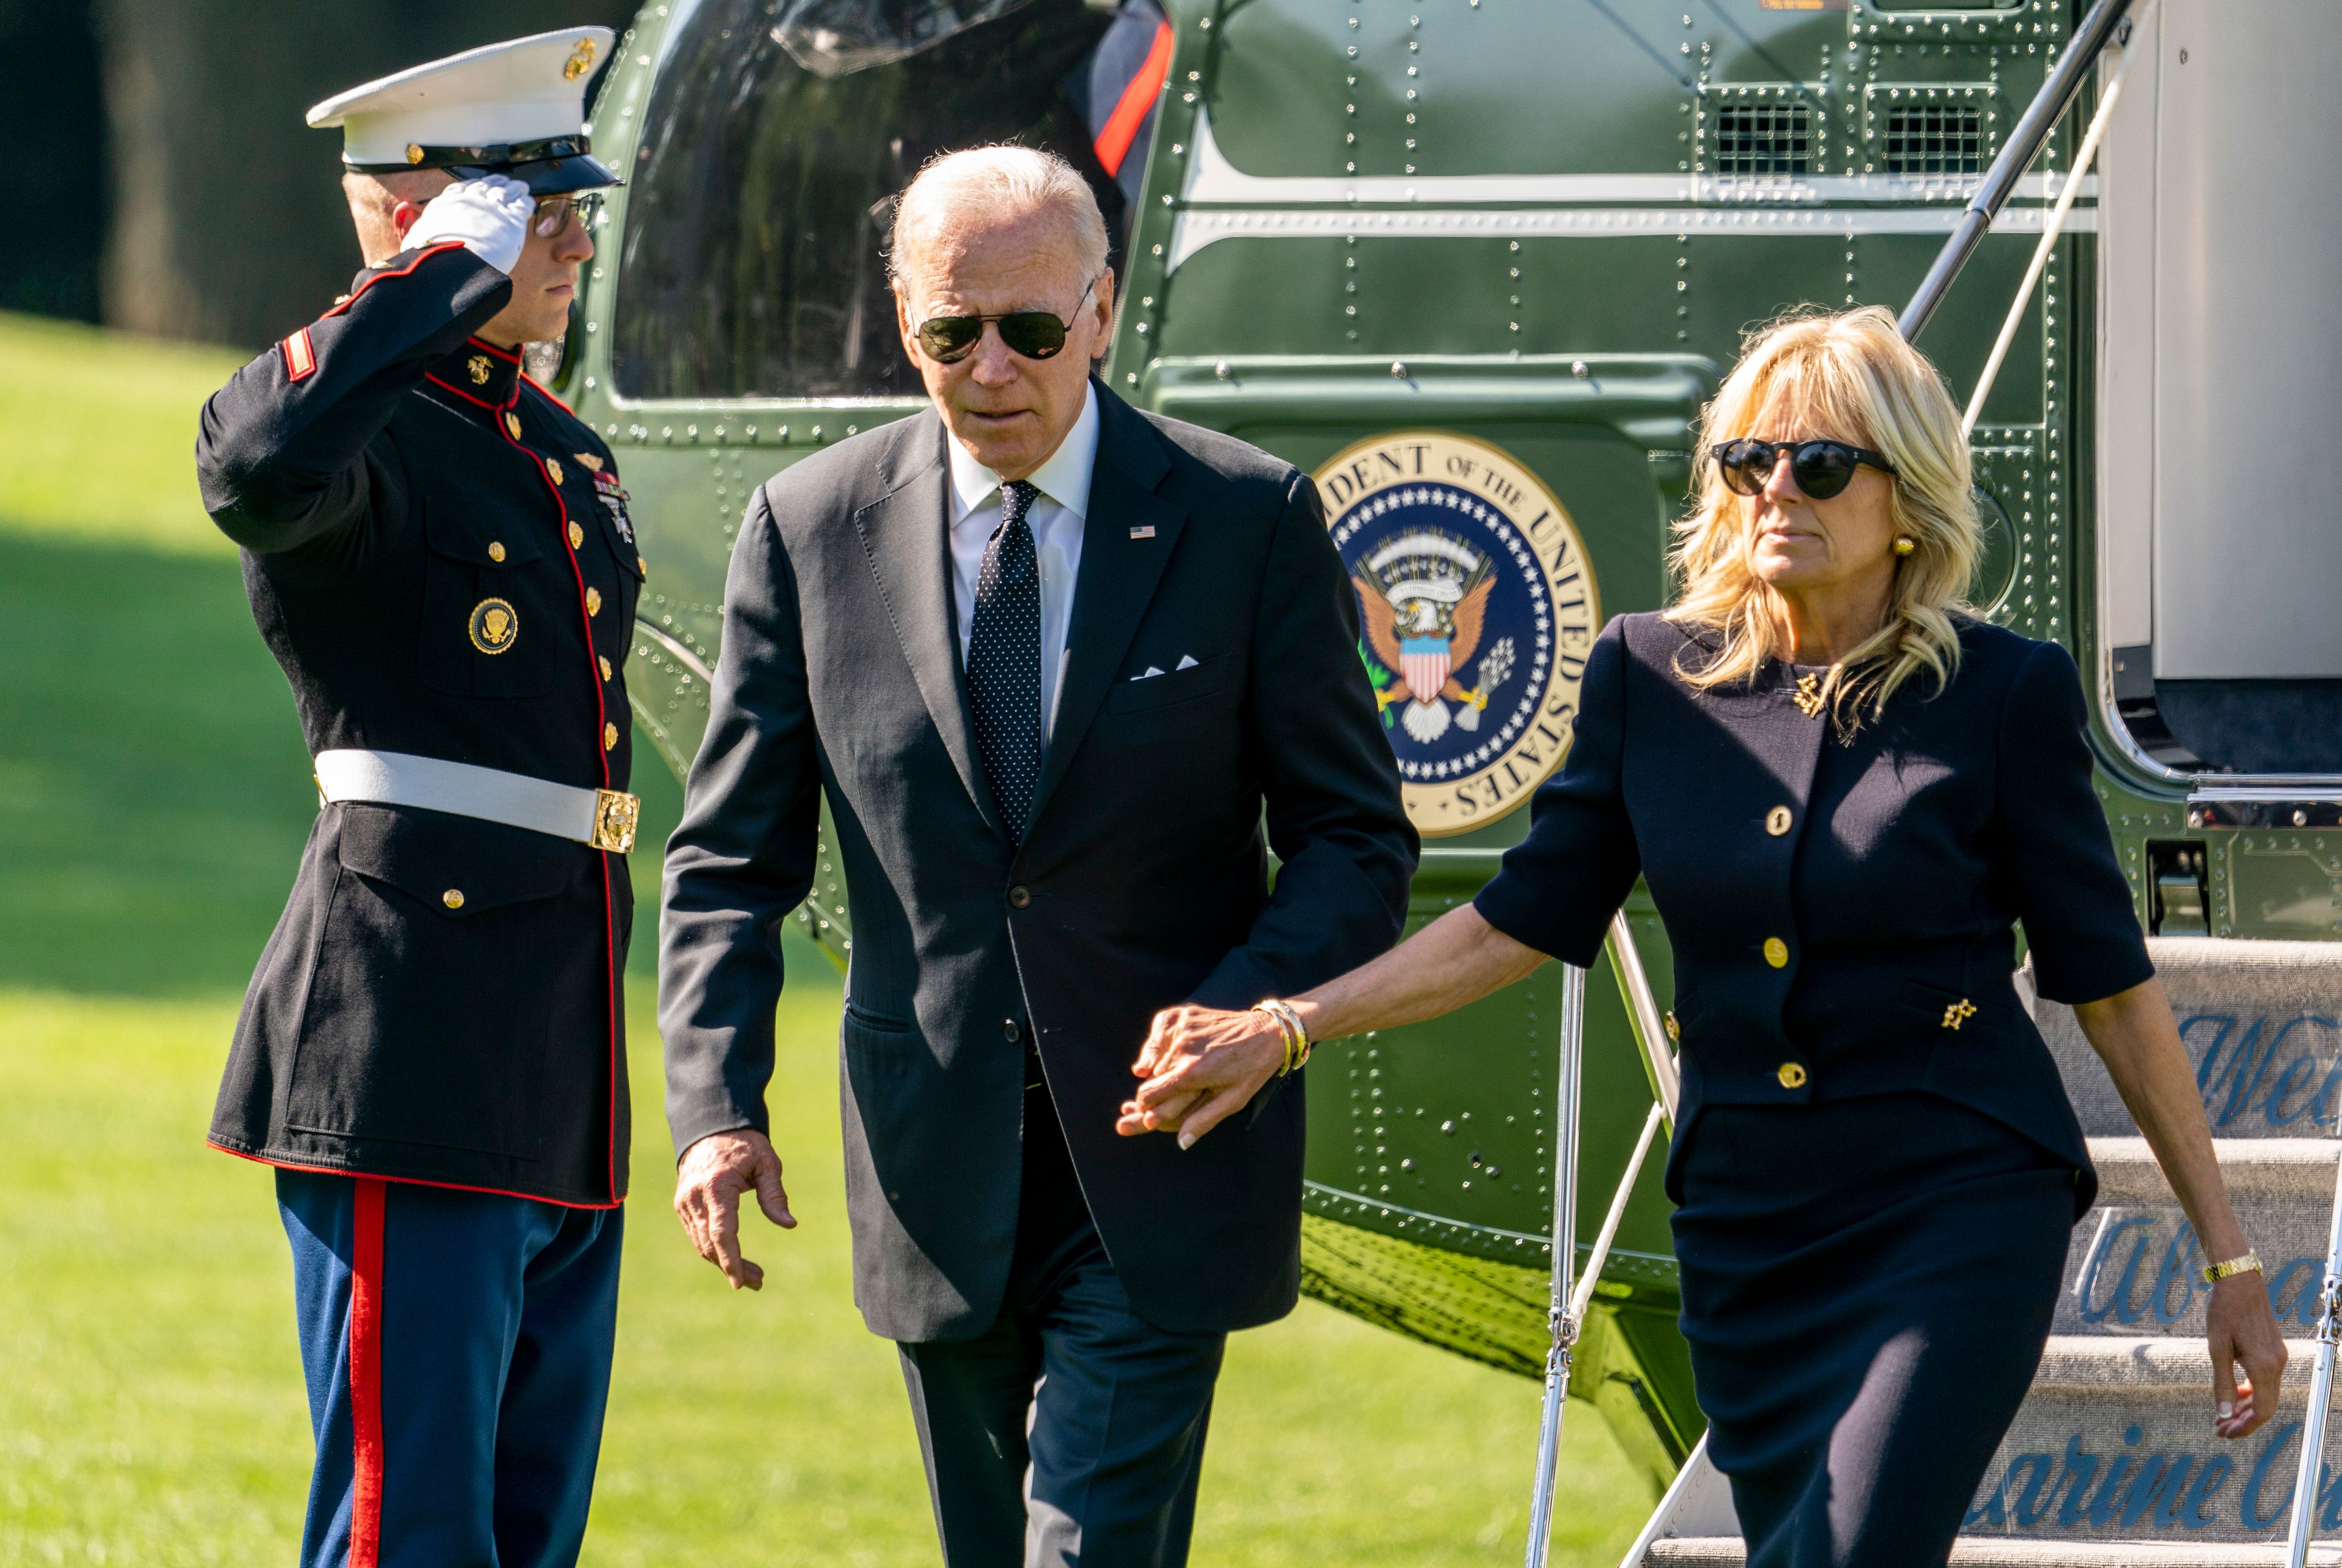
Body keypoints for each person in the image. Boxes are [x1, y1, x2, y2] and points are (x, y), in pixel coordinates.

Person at [1117, 306, 2291, 1568]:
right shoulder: (1647, 675)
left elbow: (2107, 988)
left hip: (1954, 1210)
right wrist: (1290, 1022)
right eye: (1748, 460)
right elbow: (1520, 917)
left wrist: (2231, 1255)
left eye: (1822, 463)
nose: (1776, 487)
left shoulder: (2004, 695)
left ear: (1909, 495)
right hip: (1748, 1225)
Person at [657, 145, 1416, 1567]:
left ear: (1105, 311)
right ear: (905, 325)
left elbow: (1353, 836)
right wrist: (715, 1103)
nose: (993, 366)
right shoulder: (808, 529)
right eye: (955, 332)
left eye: (1033, 329)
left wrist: (1258, 1012)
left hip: (1164, 1153)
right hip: (932, 1165)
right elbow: (726, 861)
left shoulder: (1247, 519)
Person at [195, 29, 642, 1568]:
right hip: (411, 1043)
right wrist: (426, 282)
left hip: (555, 1057)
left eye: (577, 200)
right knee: (412, 1533)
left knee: (528, 1531)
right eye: (538, 208)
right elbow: (251, 458)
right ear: (425, 221)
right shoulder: (360, 442)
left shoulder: (552, 452)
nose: (578, 233)